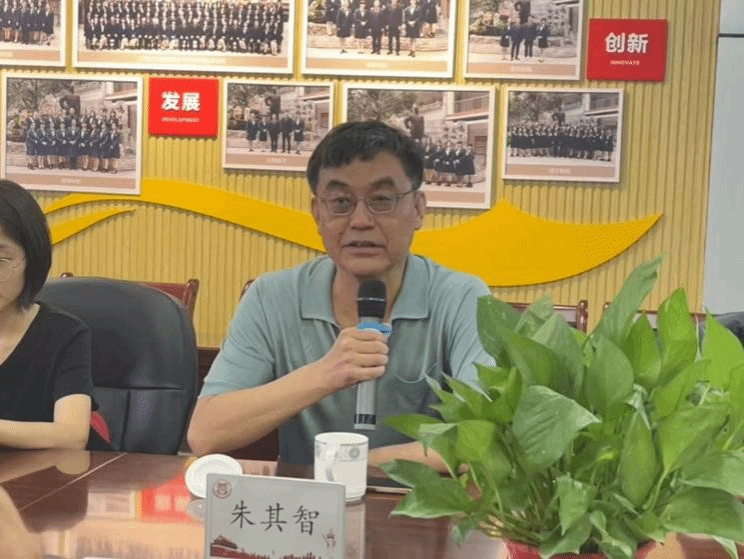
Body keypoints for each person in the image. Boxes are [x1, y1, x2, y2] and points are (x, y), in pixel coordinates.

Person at [187, 121, 492, 469]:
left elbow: (485, 437)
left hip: (416, 500)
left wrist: (353, 465)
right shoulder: (271, 296)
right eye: (341, 202)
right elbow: (205, 433)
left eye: (382, 200)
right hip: (307, 500)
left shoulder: (462, 297)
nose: (360, 220)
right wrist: (324, 374)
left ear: (419, 209)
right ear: (317, 213)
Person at [0, 179, 93, 451]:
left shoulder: (64, 334)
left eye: (0, 260)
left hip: (48, 475)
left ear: (32, 259)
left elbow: (73, 434)